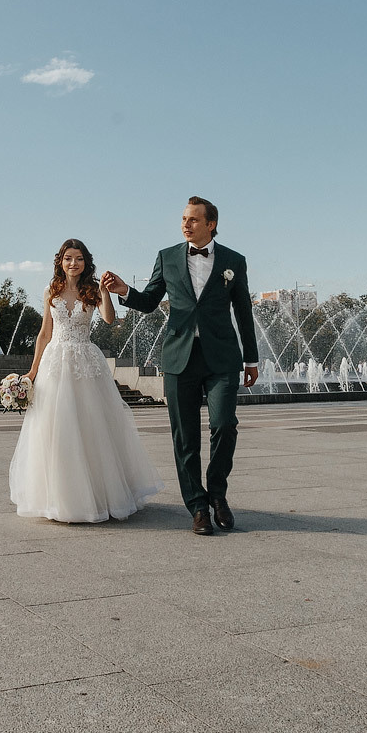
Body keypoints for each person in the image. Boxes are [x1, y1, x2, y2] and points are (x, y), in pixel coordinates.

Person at [102, 197, 260, 537]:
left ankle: (217, 494)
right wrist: (124, 290)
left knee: (224, 425)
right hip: (179, 357)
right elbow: (148, 300)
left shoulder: (234, 261)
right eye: (183, 219)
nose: (185, 225)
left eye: (192, 219)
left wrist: (251, 357)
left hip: (222, 358)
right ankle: (198, 506)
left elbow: (243, 312)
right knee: (185, 437)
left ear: (211, 224)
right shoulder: (167, 256)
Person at [10, 239, 161, 523]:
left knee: (92, 427)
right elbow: (44, 333)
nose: (73, 264)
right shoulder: (50, 290)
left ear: (85, 262)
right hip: (55, 362)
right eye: (68, 258)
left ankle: (100, 495)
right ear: (60, 261)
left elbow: (108, 319)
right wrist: (32, 371)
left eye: (78, 259)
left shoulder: (92, 289)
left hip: (85, 362)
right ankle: (59, 498)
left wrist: (105, 292)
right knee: (56, 429)